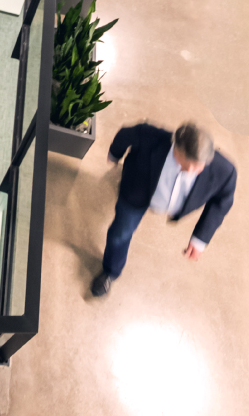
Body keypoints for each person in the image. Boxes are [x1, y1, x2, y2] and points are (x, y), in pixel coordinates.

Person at [91, 121, 237, 297]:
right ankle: (110, 271)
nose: (191, 170)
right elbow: (124, 135)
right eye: (185, 163)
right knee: (120, 232)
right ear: (175, 146)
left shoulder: (226, 171)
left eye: (198, 166)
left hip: (171, 203)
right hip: (137, 192)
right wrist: (115, 154)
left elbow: (222, 201)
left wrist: (200, 239)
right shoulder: (148, 136)